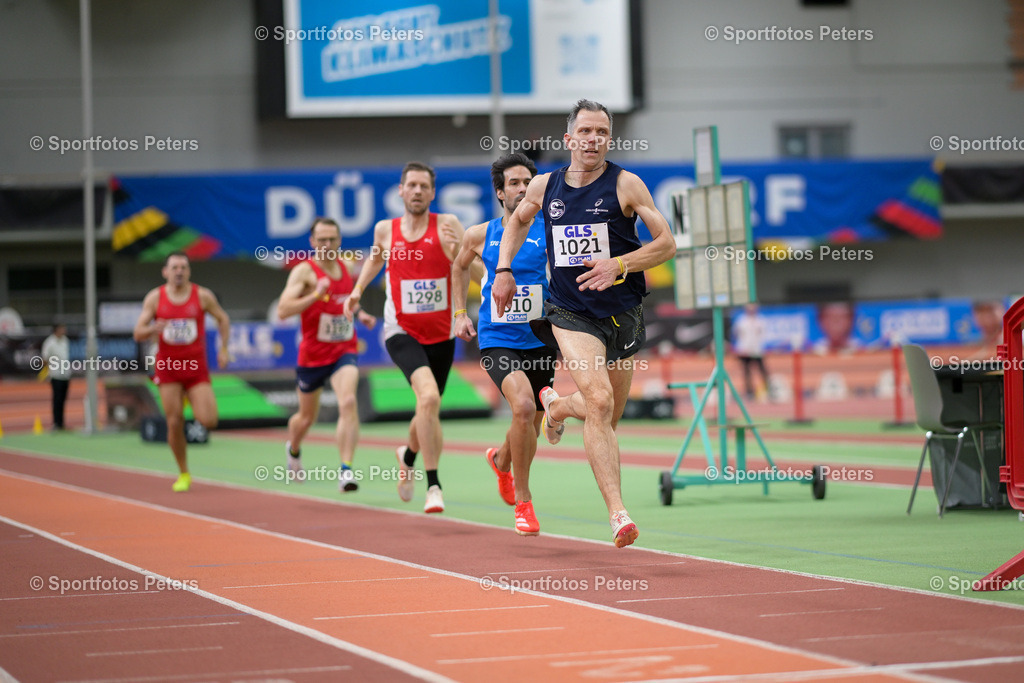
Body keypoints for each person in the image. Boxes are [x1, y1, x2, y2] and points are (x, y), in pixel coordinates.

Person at [491, 99, 676, 548]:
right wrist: (503, 269)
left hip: (623, 314)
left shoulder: (626, 184)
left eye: (602, 132)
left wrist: (620, 264)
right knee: (598, 399)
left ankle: (555, 409)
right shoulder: (544, 186)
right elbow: (517, 222)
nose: (594, 140)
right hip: (570, 313)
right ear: (569, 139)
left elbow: (667, 244)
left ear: (609, 139)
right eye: (586, 132)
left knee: (608, 415)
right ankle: (617, 513)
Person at [344, 161, 466, 514]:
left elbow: (469, 268)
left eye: (423, 186)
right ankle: (434, 486)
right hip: (401, 331)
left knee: (428, 406)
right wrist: (356, 291)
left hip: (442, 333)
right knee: (428, 397)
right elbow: (375, 260)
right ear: (400, 190)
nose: (417, 191)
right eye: (411, 185)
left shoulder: (448, 224)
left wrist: (457, 251)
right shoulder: (386, 229)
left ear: (432, 192)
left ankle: (407, 455)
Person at [451, 152, 554, 536]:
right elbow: (459, 266)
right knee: (523, 407)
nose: (522, 188)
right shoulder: (480, 234)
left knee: (531, 422)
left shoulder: (549, 229)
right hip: (498, 338)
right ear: (500, 192)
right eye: (514, 183)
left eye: (528, 182)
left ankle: (501, 460)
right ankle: (524, 503)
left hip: (540, 337)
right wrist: (459, 313)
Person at [276, 217, 377, 492]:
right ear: (312, 242)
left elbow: (345, 299)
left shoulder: (347, 266)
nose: (327, 245)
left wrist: (360, 314)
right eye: (321, 240)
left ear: (339, 240)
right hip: (312, 355)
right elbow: (283, 310)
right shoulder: (304, 272)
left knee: (348, 401)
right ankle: (293, 448)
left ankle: (346, 470)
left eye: (332, 239)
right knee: (306, 418)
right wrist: (314, 295)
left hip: (344, 349)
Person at [133, 252, 231, 492]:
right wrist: (152, 328)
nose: (179, 271)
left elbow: (223, 318)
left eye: (183, 267)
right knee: (174, 422)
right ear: (165, 272)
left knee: (209, 420)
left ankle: (190, 398)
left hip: (195, 368)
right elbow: (138, 332)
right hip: (169, 369)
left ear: (189, 271)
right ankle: (184, 472)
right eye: (175, 267)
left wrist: (224, 349)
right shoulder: (155, 298)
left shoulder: (202, 295)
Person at [732, 303, 770, 400]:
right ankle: (749, 391)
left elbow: (764, 335)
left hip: (757, 350)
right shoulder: (742, 320)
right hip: (744, 349)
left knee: (762, 370)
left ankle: (768, 389)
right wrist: (741, 347)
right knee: (746, 371)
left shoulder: (761, 320)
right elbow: (736, 333)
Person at [40, 323, 70, 430]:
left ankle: (61, 423)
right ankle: (56, 423)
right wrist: (48, 370)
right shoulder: (49, 342)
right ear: (56, 330)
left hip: (65, 374)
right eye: (62, 328)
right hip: (55, 375)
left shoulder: (65, 340)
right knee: (57, 399)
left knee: (63, 399)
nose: (64, 330)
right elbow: (44, 358)